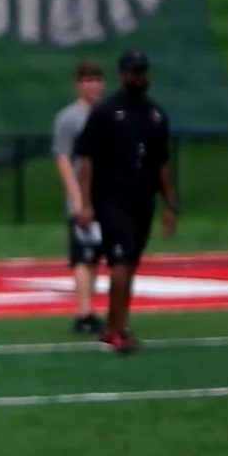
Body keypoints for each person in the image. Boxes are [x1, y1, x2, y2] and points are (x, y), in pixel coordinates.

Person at [74, 49, 178, 354]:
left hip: (141, 197)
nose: (139, 77)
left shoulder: (155, 115)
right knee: (119, 260)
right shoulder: (106, 111)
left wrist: (170, 204)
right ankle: (117, 329)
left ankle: (115, 324)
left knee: (130, 262)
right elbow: (87, 159)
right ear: (122, 74)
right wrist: (85, 203)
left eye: (142, 72)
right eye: (133, 72)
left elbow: (161, 163)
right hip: (111, 197)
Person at [51, 59, 106, 335]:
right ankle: (83, 312)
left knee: (96, 255)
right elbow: (62, 158)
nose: (92, 85)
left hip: (105, 195)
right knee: (82, 256)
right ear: (78, 83)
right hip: (82, 197)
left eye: (96, 79)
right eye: (87, 80)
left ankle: (91, 309)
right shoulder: (69, 117)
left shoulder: (109, 113)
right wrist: (77, 197)